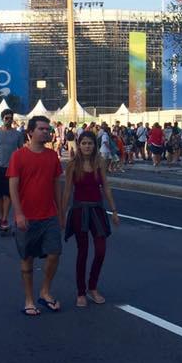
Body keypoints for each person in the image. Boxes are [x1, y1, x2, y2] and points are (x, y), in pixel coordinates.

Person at [8, 116, 65, 316]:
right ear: (30, 132)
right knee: (27, 259)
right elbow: (13, 187)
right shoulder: (19, 156)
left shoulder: (52, 156)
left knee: (54, 253)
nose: (46, 132)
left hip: (49, 215)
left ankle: (45, 291)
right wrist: (19, 214)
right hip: (27, 216)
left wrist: (60, 212)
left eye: (47, 129)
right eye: (41, 128)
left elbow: (57, 185)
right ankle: (29, 299)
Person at [61, 131, 119, 308]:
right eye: (84, 143)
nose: (87, 146)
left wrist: (114, 210)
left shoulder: (99, 162)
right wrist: (62, 215)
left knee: (101, 250)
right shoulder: (72, 164)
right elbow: (67, 191)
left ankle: (92, 287)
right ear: (79, 145)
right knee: (83, 252)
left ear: (95, 145)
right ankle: (81, 291)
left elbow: (106, 188)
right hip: (79, 210)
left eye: (90, 143)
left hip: (97, 210)